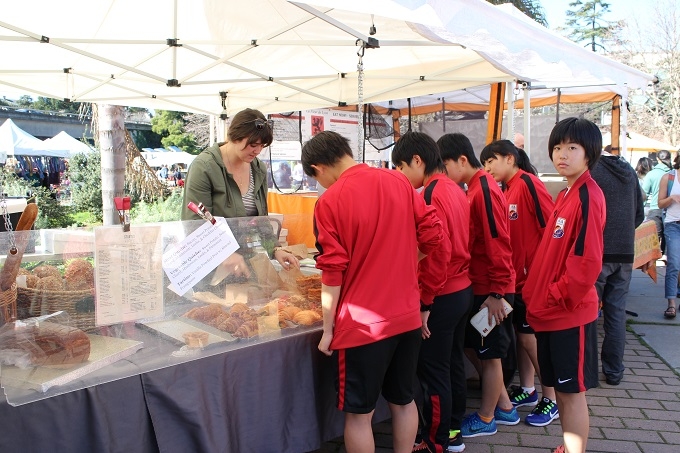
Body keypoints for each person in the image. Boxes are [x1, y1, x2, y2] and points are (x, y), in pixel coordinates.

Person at [302, 130, 445, 453]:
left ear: (318, 167)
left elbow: (332, 270)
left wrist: (328, 329)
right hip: (406, 316)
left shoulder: (330, 201)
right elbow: (433, 234)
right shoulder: (399, 181)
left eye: (316, 178)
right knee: (403, 400)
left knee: (359, 415)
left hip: (362, 326)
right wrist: (407, 261)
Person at [523, 117, 606, 453]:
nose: (562, 154)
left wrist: (554, 295)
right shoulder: (567, 193)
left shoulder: (588, 195)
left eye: (572, 147)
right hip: (551, 312)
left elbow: (587, 262)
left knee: (571, 393)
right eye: (557, 147)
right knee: (561, 390)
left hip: (568, 313)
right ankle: (568, 446)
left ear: (589, 153)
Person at [392, 132, 473, 453]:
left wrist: (425, 302)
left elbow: (438, 252)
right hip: (460, 288)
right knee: (451, 364)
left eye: (401, 167)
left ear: (417, 160)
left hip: (443, 293)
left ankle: (435, 440)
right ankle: (452, 431)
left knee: (433, 370)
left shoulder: (432, 193)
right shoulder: (453, 188)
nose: (400, 175)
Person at [435, 132, 517, 439]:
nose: (443, 174)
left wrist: (497, 292)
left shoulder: (483, 189)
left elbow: (499, 241)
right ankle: (504, 407)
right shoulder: (473, 188)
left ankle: (486, 417)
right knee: (476, 348)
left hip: (491, 288)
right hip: (481, 284)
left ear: (461, 160)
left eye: (445, 166)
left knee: (490, 355)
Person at [480, 140, 558, 427]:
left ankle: (552, 398)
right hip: (517, 280)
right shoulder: (507, 188)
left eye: (491, 161)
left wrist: (543, 272)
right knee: (521, 337)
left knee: (528, 338)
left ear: (510, 159)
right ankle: (528, 389)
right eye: (484, 163)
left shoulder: (528, 183)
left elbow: (550, 227)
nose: (487, 168)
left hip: (534, 279)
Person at [181, 108, 298, 272]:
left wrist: (275, 249)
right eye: (253, 145)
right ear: (235, 137)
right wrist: (223, 253)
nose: (257, 151)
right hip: (209, 266)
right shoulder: (204, 167)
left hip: (245, 262)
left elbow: (261, 219)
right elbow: (195, 223)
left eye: (262, 146)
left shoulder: (258, 169)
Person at [591, 145, 645, 385]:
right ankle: (613, 372)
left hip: (598, 252)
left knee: (588, 313)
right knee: (616, 313)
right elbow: (639, 214)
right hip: (624, 253)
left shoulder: (592, 170)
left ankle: (586, 370)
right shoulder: (629, 171)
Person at [658, 151, 680, 320]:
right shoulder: (669, 177)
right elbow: (660, 203)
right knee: (673, 264)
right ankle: (671, 304)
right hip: (673, 225)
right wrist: (672, 198)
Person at [642, 150, 672, 254]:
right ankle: (666, 257)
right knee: (669, 237)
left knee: (653, 238)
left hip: (654, 209)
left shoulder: (651, 174)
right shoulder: (673, 173)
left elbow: (644, 194)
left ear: (658, 159)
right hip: (670, 209)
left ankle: (653, 261)